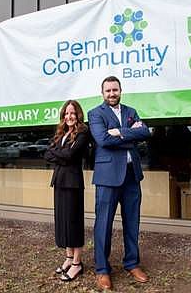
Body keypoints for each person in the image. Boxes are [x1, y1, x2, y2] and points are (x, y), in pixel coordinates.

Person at [88, 76, 151, 290]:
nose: (112, 93)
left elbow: (145, 132)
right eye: (108, 90)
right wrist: (131, 135)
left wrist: (121, 132)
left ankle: (132, 263)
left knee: (132, 222)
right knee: (103, 224)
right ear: (102, 93)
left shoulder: (131, 111)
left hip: (132, 176)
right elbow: (103, 140)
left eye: (115, 89)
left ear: (120, 91)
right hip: (107, 177)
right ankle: (102, 269)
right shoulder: (96, 113)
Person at [44, 100, 90, 282]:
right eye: (66, 114)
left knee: (73, 222)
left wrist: (59, 155)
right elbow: (47, 154)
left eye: (72, 113)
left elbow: (71, 156)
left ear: (78, 115)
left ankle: (77, 263)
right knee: (63, 220)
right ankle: (69, 257)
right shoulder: (62, 133)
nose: (69, 117)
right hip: (60, 181)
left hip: (73, 184)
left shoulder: (83, 133)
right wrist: (61, 155)